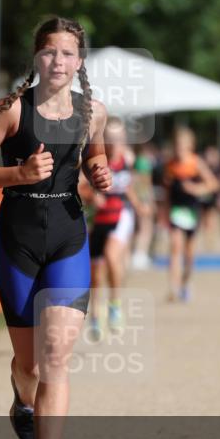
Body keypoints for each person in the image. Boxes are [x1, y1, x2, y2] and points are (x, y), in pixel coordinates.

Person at [0, 17, 111, 439]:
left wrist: (97, 169)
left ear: (79, 62)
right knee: (30, 365)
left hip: (67, 237)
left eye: (68, 54)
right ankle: (22, 399)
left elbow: (95, 152)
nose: (58, 62)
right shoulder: (10, 112)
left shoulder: (93, 112)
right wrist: (18, 173)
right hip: (17, 241)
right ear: (36, 57)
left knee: (57, 359)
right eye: (50, 53)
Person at [85, 117, 140, 339]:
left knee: (111, 255)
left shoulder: (128, 158)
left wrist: (139, 205)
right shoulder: (95, 160)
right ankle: (96, 318)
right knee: (96, 274)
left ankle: (115, 306)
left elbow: (129, 186)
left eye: (120, 138)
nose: (115, 143)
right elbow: (80, 186)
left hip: (121, 214)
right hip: (99, 219)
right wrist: (91, 196)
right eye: (110, 138)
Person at [163, 127, 220, 302]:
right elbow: (167, 190)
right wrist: (164, 210)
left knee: (189, 254)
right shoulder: (170, 165)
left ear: (190, 146)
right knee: (175, 247)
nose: (179, 148)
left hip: (192, 212)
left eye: (182, 145)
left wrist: (196, 189)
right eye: (177, 145)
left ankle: (185, 283)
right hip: (176, 211)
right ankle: (173, 288)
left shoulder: (196, 163)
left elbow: (213, 184)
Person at [130, 142, 157, 270]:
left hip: (140, 196)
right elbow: (146, 181)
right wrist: (150, 200)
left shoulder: (137, 160)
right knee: (145, 227)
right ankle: (140, 254)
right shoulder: (143, 161)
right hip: (143, 196)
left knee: (140, 227)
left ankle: (138, 254)